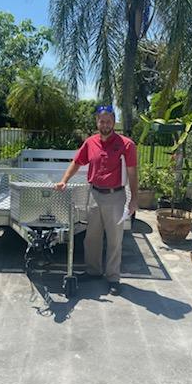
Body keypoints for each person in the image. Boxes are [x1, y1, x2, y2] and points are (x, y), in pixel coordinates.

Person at [55, 105, 138, 296]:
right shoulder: (90, 142)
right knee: (92, 237)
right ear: (97, 122)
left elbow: (133, 173)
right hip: (94, 194)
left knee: (114, 239)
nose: (105, 124)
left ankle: (113, 278)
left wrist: (134, 199)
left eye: (109, 121)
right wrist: (63, 181)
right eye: (102, 121)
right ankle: (93, 271)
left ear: (114, 122)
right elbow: (76, 162)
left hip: (116, 196)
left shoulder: (126, 144)